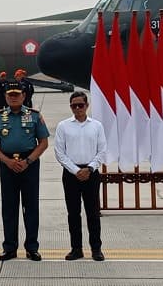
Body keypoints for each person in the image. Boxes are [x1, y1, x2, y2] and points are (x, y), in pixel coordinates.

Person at [0, 81, 49, 262]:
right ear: (5, 97)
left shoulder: (34, 115)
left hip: (29, 164)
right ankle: (10, 248)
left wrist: (28, 161)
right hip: (7, 165)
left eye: (17, 94)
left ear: (24, 96)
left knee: (31, 206)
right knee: (9, 207)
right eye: (10, 94)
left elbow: (43, 142)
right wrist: (6, 161)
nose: (13, 97)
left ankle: (31, 247)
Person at [54, 92, 106, 262]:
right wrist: (75, 170)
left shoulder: (96, 126)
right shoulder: (63, 126)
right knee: (73, 213)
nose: (77, 109)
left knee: (92, 213)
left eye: (80, 105)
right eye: (73, 106)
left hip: (91, 173)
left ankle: (96, 249)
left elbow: (102, 150)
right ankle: (76, 249)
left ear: (86, 105)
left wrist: (89, 168)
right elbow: (59, 152)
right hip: (71, 174)